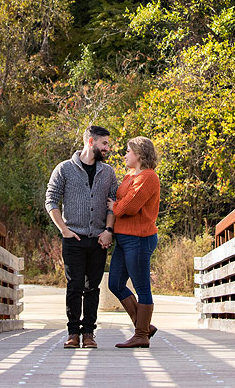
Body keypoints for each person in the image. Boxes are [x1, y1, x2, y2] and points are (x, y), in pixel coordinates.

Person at [44, 125, 118, 349]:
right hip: (73, 239)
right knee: (74, 286)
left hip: (98, 240)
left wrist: (108, 231)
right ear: (90, 142)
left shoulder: (108, 172)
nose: (107, 148)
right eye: (104, 143)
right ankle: (73, 333)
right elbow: (51, 200)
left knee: (92, 288)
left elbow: (113, 204)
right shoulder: (64, 169)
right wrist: (64, 230)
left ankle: (89, 334)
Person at [107, 136, 161, 349]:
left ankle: (141, 334)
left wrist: (115, 207)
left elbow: (127, 207)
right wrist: (118, 205)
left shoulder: (148, 177)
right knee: (115, 284)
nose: (125, 155)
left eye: (128, 151)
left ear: (139, 154)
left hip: (139, 239)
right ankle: (145, 327)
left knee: (142, 287)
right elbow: (123, 201)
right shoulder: (131, 175)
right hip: (124, 238)